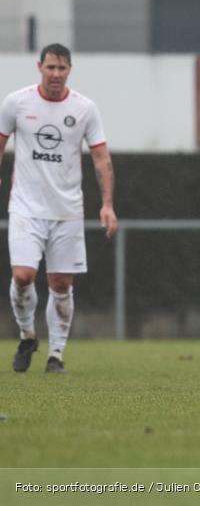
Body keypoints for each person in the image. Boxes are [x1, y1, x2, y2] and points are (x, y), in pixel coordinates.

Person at [0, 43, 117, 373]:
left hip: (67, 211)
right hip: (25, 208)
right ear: (39, 67)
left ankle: (56, 356)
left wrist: (107, 204)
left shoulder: (84, 109)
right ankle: (27, 335)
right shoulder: (17, 102)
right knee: (22, 276)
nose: (55, 74)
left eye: (61, 68)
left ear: (69, 70)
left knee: (61, 284)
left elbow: (100, 157)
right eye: (50, 67)